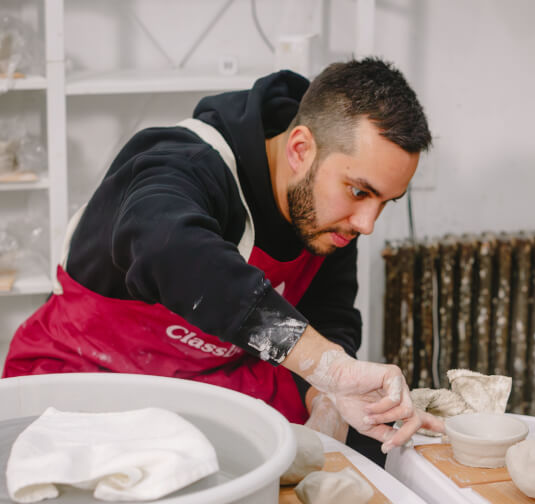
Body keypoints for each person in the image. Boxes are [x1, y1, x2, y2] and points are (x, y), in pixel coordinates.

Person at [2, 57, 443, 459]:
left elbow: (328, 318)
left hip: (223, 376)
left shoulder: (333, 219)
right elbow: (166, 248)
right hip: (96, 369)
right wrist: (326, 366)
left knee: (382, 442)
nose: (367, 223)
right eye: (359, 191)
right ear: (300, 150)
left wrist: (327, 398)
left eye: (385, 201)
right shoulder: (182, 161)